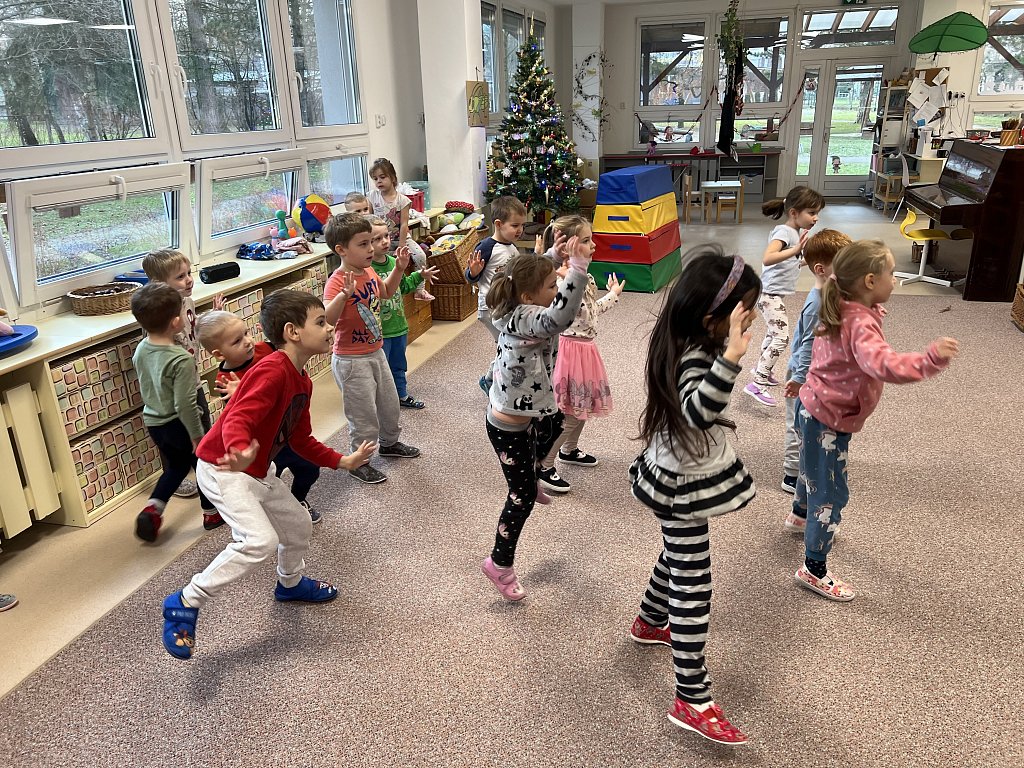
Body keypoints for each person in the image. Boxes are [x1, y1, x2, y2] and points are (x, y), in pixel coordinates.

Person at [160, 290, 376, 660]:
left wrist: (342, 461)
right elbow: (239, 417)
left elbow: (301, 438)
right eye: (320, 322)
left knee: (298, 525)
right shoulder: (272, 369)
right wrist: (240, 449)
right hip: (224, 467)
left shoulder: (302, 380)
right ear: (293, 332)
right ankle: (184, 601)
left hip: (257, 471)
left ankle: (289, 584)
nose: (329, 328)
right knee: (258, 540)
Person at [629, 246, 760, 746]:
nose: (752, 318)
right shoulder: (696, 354)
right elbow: (697, 412)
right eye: (745, 311)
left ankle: (649, 620)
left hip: (681, 472)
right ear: (711, 320)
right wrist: (731, 358)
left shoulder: (686, 338)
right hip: (680, 483)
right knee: (694, 586)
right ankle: (691, 697)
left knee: (678, 552)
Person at [792, 240, 958, 602]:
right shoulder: (859, 322)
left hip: (814, 407)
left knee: (812, 472)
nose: (894, 281)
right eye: (891, 274)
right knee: (831, 495)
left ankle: (800, 516)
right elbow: (884, 365)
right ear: (869, 281)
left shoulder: (839, 301)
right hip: (828, 419)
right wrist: (930, 358)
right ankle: (813, 568)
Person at [480, 241, 592, 603]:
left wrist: (553, 257)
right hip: (508, 427)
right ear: (528, 296)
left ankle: (535, 471)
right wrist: (577, 270)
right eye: (551, 286)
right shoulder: (528, 317)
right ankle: (499, 563)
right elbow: (561, 316)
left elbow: (530, 278)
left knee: (557, 420)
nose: (556, 290)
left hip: (528, 410)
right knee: (521, 497)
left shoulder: (516, 305)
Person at [195, 310, 324, 525]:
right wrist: (241, 391)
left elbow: (285, 352)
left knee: (310, 468)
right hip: (262, 445)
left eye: (246, 333)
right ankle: (273, 513)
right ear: (219, 354)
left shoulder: (264, 349)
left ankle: (298, 500)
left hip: (286, 433)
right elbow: (238, 419)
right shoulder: (225, 379)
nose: (248, 342)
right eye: (237, 341)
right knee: (267, 485)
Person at [323, 213, 421, 485]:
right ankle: (359, 461)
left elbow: (386, 292)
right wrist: (343, 295)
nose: (370, 249)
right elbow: (327, 320)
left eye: (370, 242)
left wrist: (399, 269)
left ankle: (390, 443)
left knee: (389, 404)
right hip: (351, 360)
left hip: (375, 351)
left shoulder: (368, 271)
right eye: (363, 244)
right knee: (363, 414)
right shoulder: (337, 280)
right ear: (341, 250)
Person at [534, 215, 624, 494]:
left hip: (586, 350)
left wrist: (613, 294)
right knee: (570, 413)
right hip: (571, 351)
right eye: (586, 240)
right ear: (569, 247)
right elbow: (561, 313)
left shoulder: (584, 277)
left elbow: (590, 312)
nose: (593, 245)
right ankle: (544, 465)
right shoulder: (563, 281)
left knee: (584, 406)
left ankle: (569, 450)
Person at [129, 283, 222, 541]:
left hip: (155, 423)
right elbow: (185, 404)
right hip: (179, 424)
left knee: (176, 468)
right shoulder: (180, 359)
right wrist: (197, 436)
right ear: (175, 322)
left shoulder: (142, 349)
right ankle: (211, 513)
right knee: (203, 466)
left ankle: (153, 507)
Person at [142, 248, 224, 498]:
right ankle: (180, 477)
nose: (189, 280)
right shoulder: (157, 316)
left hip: (192, 379)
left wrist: (212, 316)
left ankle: (206, 476)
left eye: (189, 273)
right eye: (180, 277)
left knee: (203, 427)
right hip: (172, 390)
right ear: (159, 284)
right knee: (176, 436)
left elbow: (193, 328)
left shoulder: (187, 301)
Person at [779, 229, 852, 496]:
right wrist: (799, 379)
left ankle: (816, 459)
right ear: (821, 269)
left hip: (821, 371)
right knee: (797, 422)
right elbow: (808, 346)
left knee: (815, 421)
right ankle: (792, 473)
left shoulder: (834, 292)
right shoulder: (816, 303)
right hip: (804, 372)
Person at [744, 186, 824, 408]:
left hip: (773, 293)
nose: (816, 218)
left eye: (817, 213)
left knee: (773, 333)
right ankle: (757, 383)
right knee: (781, 338)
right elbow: (768, 258)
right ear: (794, 213)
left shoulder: (794, 233)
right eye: (812, 212)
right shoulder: (784, 232)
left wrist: (806, 259)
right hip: (768, 294)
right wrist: (796, 249)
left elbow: (788, 263)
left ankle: (762, 369)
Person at [366, 215, 439, 410]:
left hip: (398, 327)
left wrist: (419, 275)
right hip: (379, 332)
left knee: (398, 365)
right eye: (377, 239)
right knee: (380, 370)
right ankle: (381, 401)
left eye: (386, 236)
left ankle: (401, 395)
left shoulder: (394, 262)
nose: (384, 242)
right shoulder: (366, 269)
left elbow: (404, 286)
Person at [465, 195, 527, 393]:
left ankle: (496, 378)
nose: (520, 230)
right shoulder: (486, 247)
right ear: (498, 224)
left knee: (509, 345)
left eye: (522, 225)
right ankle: (490, 379)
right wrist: (473, 272)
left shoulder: (513, 248)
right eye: (515, 225)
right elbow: (470, 277)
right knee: (509, 345)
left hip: (505, 307)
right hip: (490, 308)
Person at [366, 158, 434, 301]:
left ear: (392, 178)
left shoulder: (402, 200)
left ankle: (419, 290)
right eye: (375, 178)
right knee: (381, 263)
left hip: (401, 239)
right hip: (380, 240)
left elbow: (404, 224)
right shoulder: (372, 196)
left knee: (420, 256)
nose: (379, 181)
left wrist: (402, 245)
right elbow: (369, 220)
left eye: (382, 177)